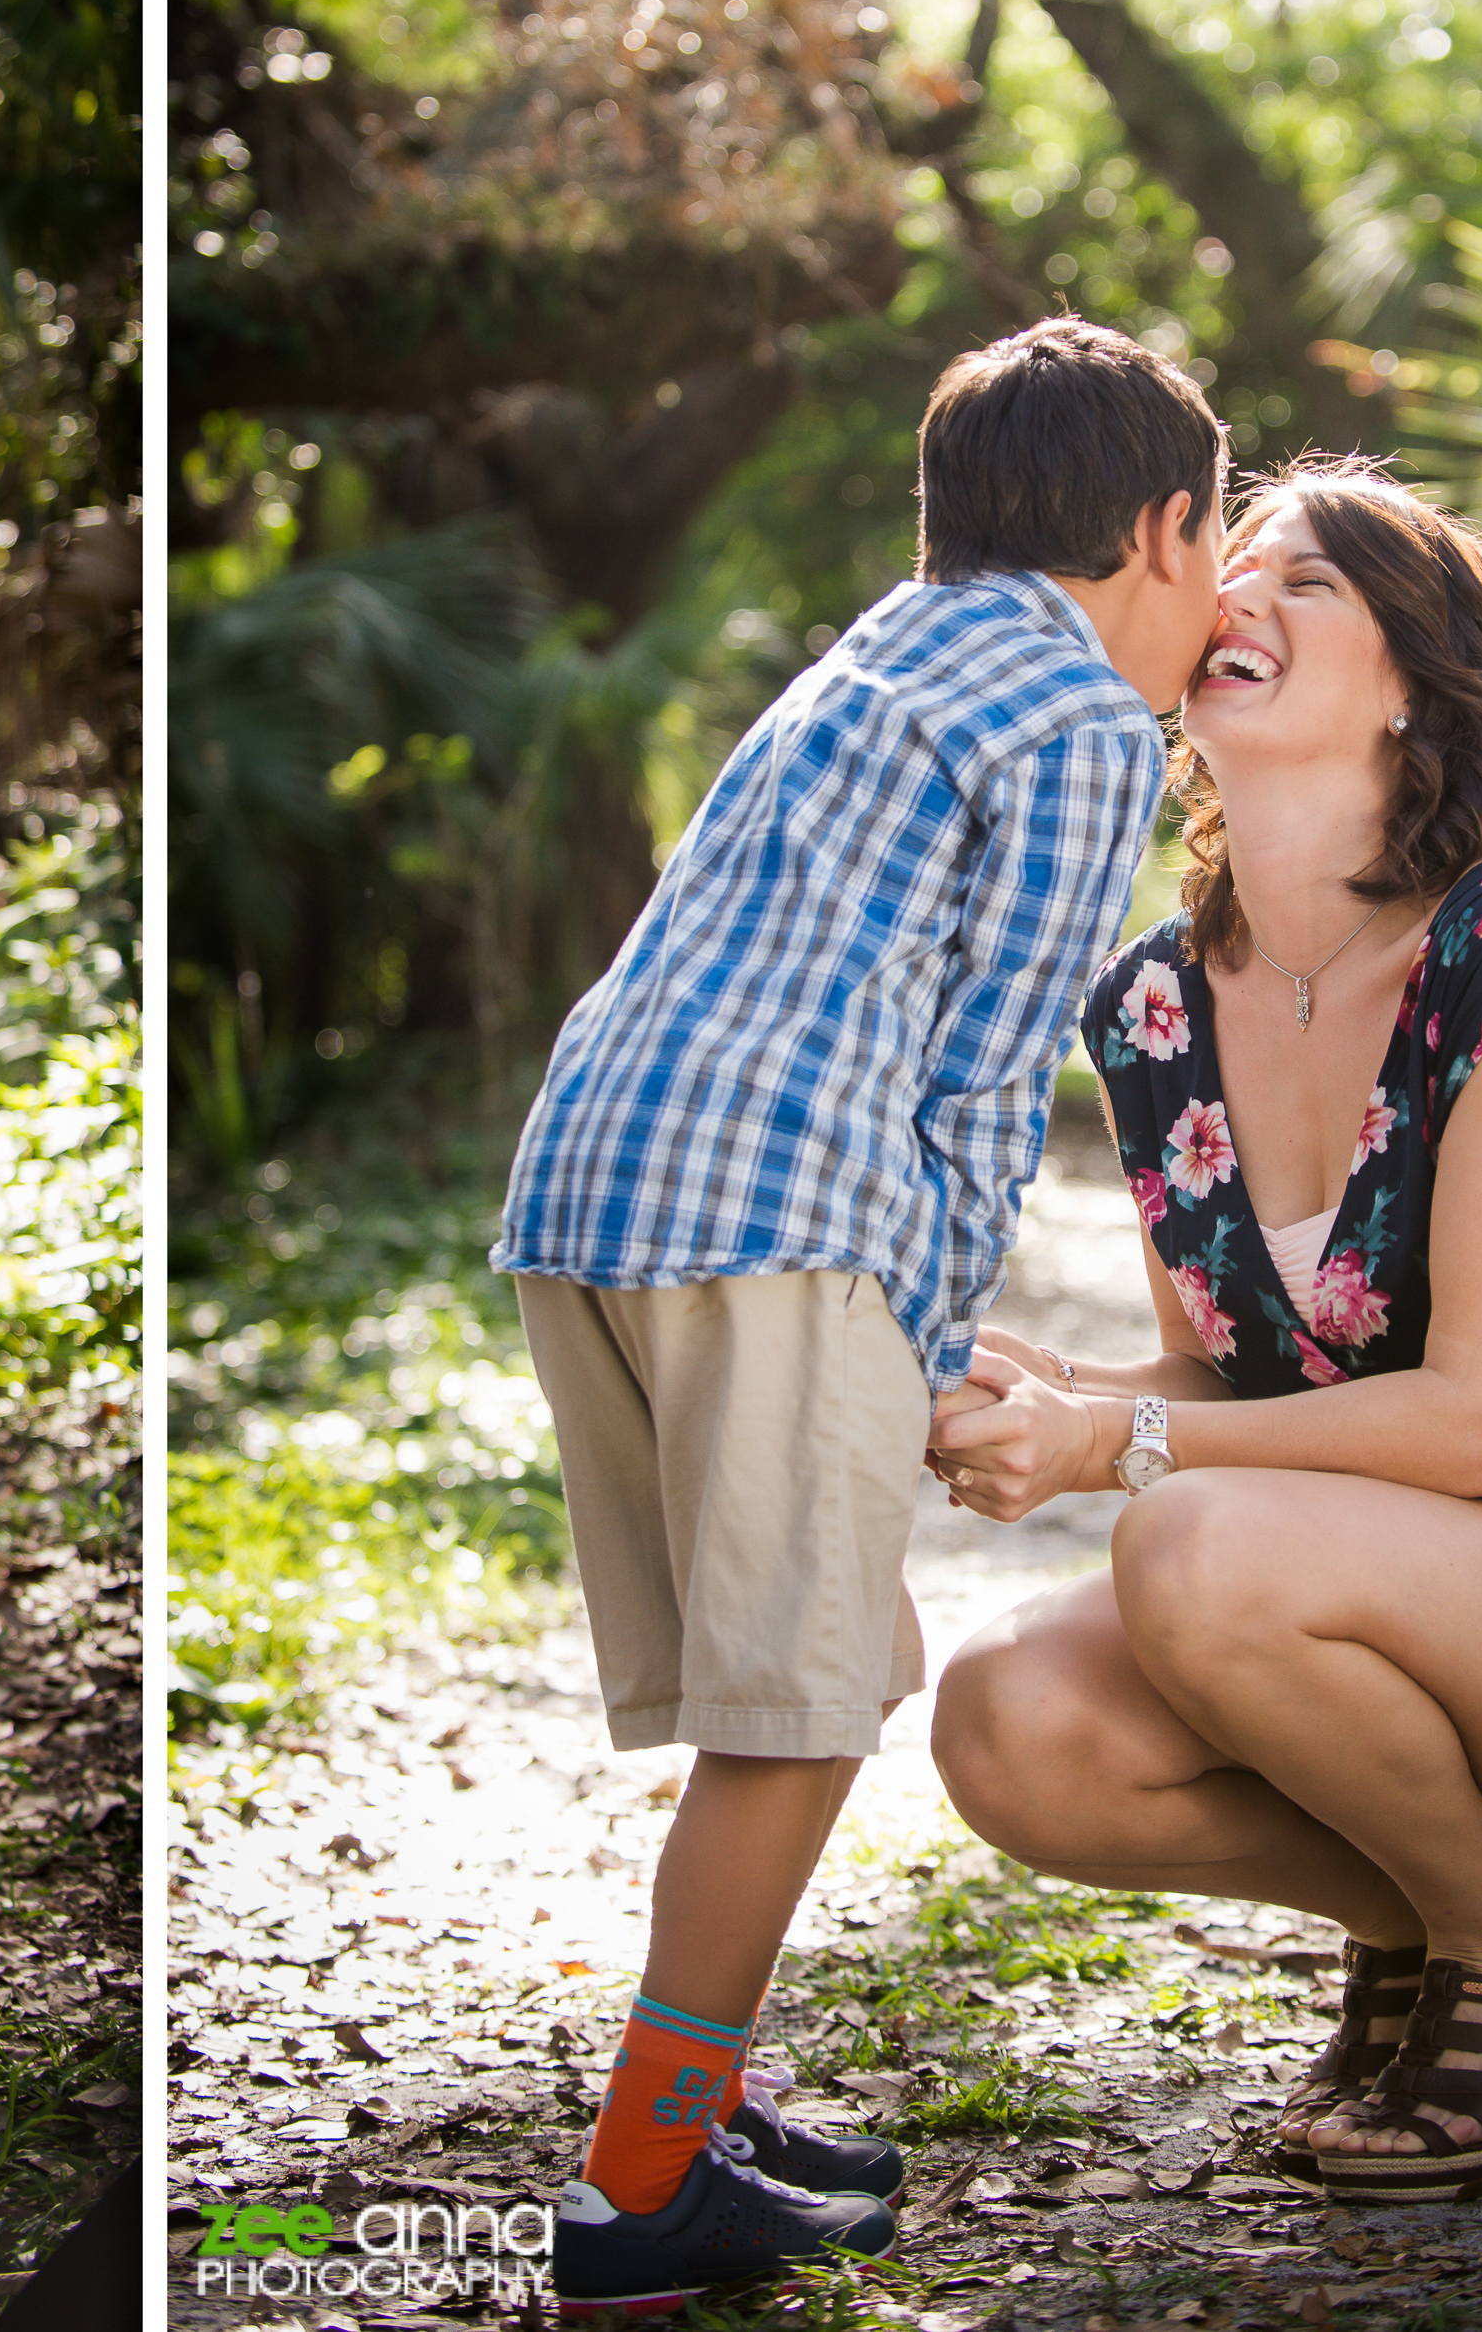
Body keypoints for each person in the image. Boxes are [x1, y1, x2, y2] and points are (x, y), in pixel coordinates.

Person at [924, 463, 1482, 2205]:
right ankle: (1426, 1905)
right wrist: (1062, 1389)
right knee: (1007, 1718)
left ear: (1413, 678)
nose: (1234, 594)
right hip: (1341, 1569)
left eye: (1305, 579)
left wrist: (1125, 1449)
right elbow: (1229, 1376)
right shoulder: (1156, 1003)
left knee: (1188, 1534)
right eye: (1224, 565)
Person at [492, 318, 1227, 2317]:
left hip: (601, 1186)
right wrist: (914, 1347)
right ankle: (639, 2188)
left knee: (830, 1665)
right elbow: (983, 1074)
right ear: (1157, 529)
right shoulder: (1079, 721)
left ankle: (691, 2096)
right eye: (1217, 541)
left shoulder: (888, 645)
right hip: (768, 1210)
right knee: (797, 1717)